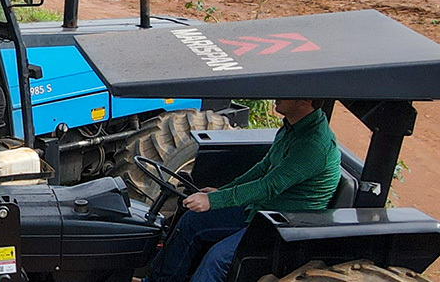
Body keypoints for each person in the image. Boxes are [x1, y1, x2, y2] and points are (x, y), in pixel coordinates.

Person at [143, 99, 341, 282]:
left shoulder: (314, 146)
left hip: (286, 225)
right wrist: (221, 192)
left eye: (286, 94)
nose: (276, 97)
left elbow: (268, 186)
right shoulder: (292, 128)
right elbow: (264, 168)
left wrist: (214, 201)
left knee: (217, 259)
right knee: (192, 221)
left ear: (304, 102)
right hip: (261, 211)